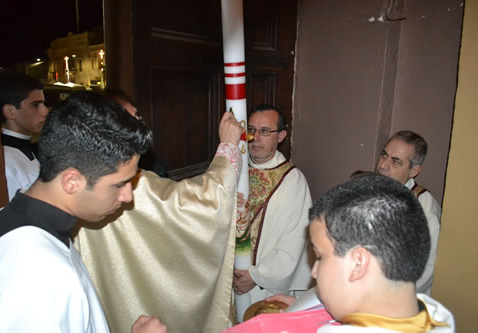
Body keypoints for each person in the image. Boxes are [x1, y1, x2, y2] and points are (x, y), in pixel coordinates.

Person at [0, 92, 167, 332]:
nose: (127, 197)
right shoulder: (36, 276)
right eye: (119, 184)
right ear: (72, 182)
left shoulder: (10, 219)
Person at [74, 108, 244, 332]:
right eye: (130, 117)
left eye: (138, 117)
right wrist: (229, 146)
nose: (139, 123)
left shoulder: (86, 181)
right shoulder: (128, 185)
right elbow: (202, 202)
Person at [261, 175, 454, 332]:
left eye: (320, 257)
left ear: (358, 263)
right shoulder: (427, 316)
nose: (314, 272)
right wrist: (304, 306)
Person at [233, 105, 312, 310]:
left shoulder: (293, 181)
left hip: (264, 287)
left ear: (281, 136)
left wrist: (256, 276)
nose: (255, 137)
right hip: (228, 280)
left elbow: (294, 240)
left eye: (265, 131)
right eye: (250, 130)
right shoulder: (231, 170)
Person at [376, 130, 441, 295]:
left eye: (395, 161)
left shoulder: (424, 206)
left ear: (414, 171)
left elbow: (426, 267)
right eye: (383, 155)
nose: (383, 165)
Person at [0, 70, 49, 201]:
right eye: (35, 105)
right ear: (10, 111)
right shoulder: (4, 160)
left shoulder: (26, 149)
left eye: (43, 103)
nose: (45, 111)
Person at [103, 88, 168, 177]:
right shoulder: (106, 169)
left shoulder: (147, 157)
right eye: (132, 119)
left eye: (138, 117)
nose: (143, 124)